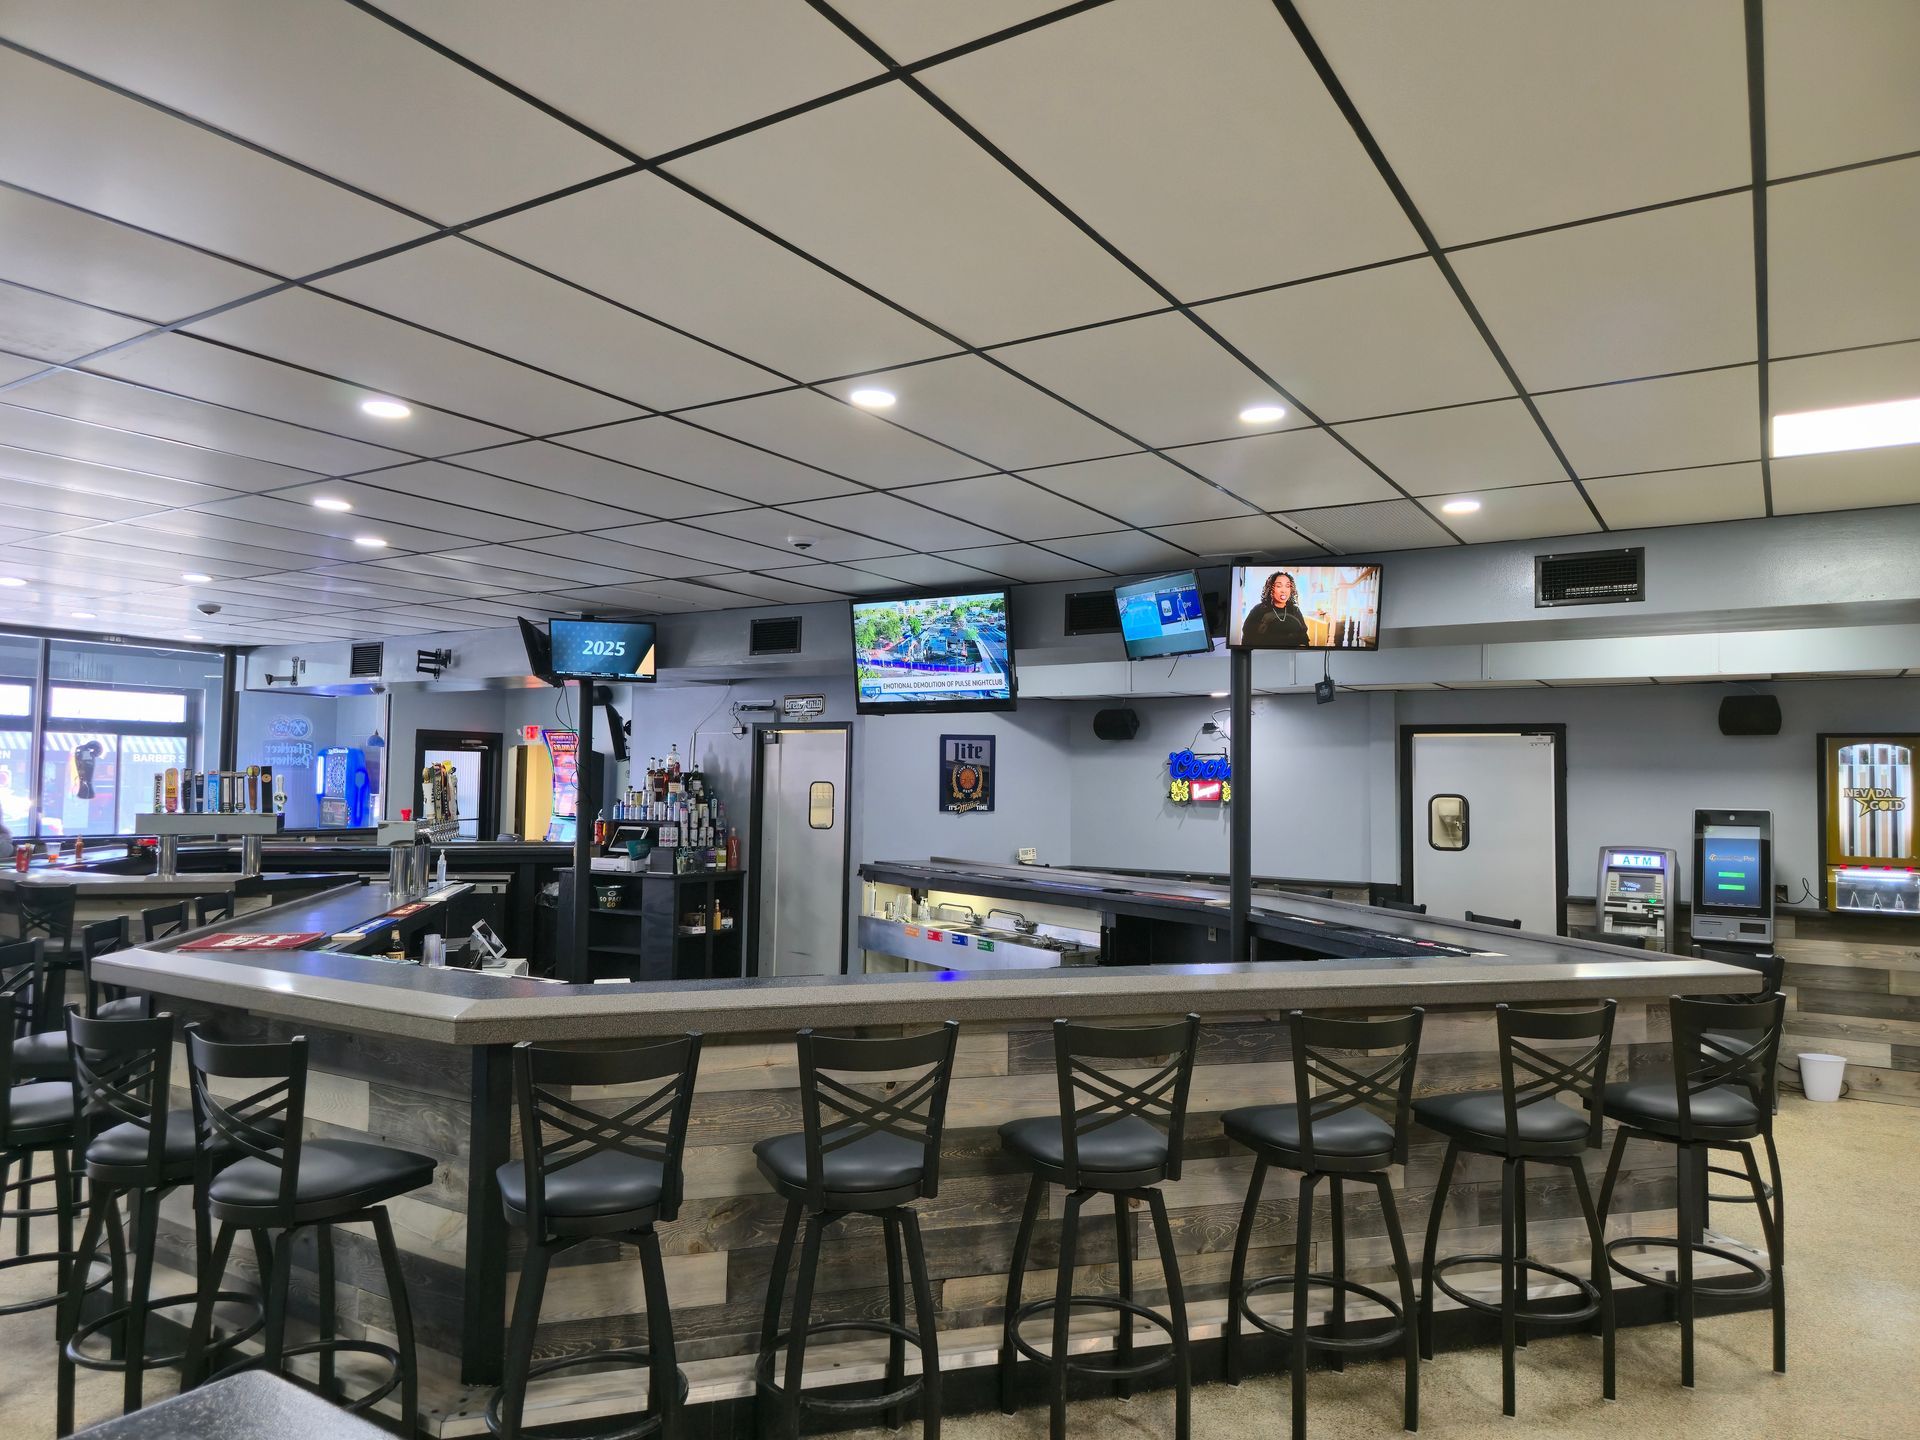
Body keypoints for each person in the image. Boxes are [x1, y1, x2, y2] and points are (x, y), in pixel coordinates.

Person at [1239, 570, 1311, 647]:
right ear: (1271, 588)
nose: (1283, 590)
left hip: (1291, 653)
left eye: (1287, 586)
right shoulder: (1259, 610)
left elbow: (1303, 638)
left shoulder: (1295, 610)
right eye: (1279, 586)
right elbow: (1247, 639)